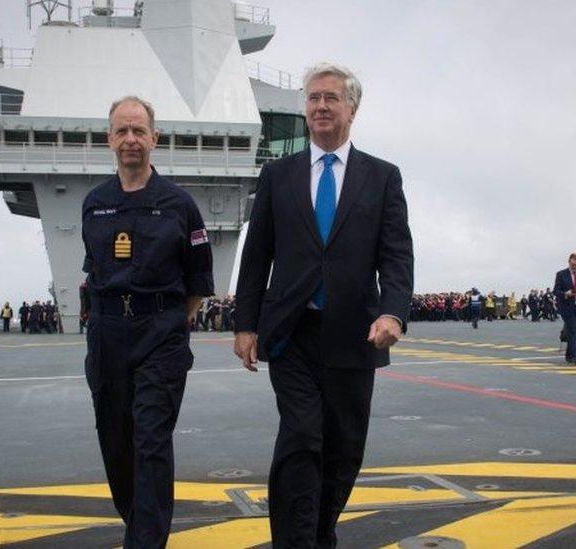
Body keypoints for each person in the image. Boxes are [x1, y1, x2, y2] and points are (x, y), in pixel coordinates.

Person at [233, 62, 413, 548]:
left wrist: (393, 312)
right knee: (300, 439)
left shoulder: (383, 177)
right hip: (292, 334)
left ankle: (319, 533)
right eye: (313, 98)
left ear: (352, 108)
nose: (320, 106)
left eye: (331, 98)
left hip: (355, 334)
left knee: (342, 449)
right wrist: (245, 324)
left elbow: (396, 255)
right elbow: (257, 255)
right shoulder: (278, 175)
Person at [81, 96, 214, 548]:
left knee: (151, 440)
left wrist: (171, 323)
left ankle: (146, 541)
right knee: (116, 444)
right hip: (106, 339)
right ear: (109, 140)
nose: (131, 139)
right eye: (122, 131)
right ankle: (139, 523)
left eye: (139, 131)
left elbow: (198, 279)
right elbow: (92, 272)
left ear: (155, 138)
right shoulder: (94, 204)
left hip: (160, 334)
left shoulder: (180, 205)